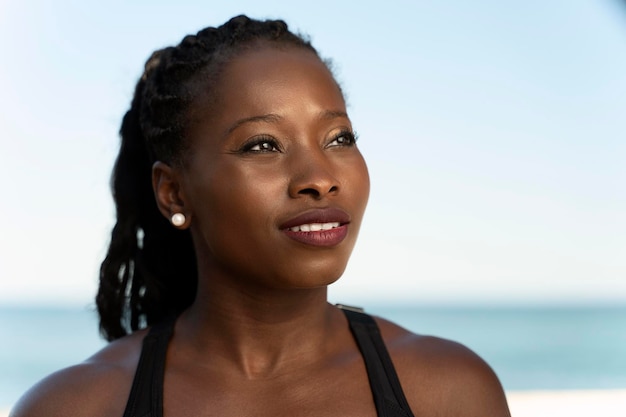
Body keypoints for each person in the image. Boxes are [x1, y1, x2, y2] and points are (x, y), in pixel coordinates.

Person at [11, 15, 510, 417]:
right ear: (174, 193)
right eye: (262, 145)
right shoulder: (75, 407)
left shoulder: (449, 392)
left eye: (339, 138)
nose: (319, 176)